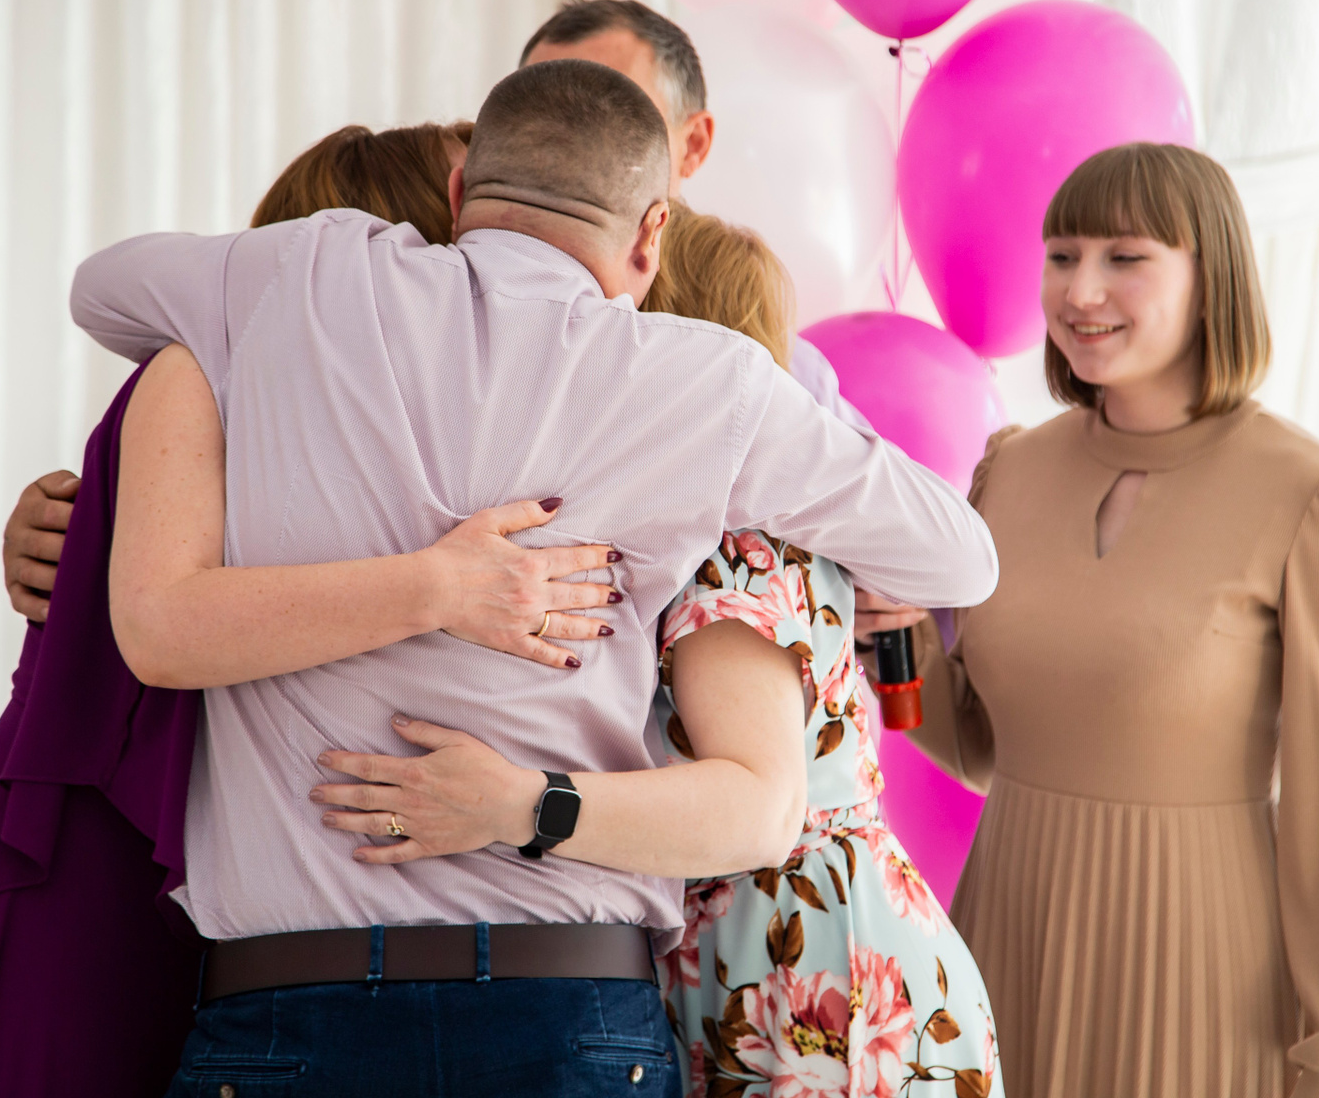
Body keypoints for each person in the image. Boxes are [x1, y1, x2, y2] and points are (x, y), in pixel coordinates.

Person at [73, 58, 996, 1097]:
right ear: (652, 231)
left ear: (459, 191)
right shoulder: (704, 381)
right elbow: (960, 556)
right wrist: (856, 569)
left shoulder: (297, 276)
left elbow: (97, 291)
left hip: (285, 1004)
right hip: (565, 1007)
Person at [0, 121, 621, 1098]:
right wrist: (445, 586)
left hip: (199, 924)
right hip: (69, 890)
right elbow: (160, 621)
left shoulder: (402, 443)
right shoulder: (202, 381)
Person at [311, 207, 1002, 1098]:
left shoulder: (736, 548)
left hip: (810, 977)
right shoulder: (739, 524)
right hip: (781, 954)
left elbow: (755, 801)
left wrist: (515, 804)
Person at [0, 0, 875, 610]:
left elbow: (862, 565)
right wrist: (92, 523)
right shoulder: (364, 309)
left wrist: (877, 593)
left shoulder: (747, 352)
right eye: (542, 102)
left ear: (691, 145)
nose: (571, 132)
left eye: (619, 110)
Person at [907, 143, 1319, 1098]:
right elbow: (982, 746)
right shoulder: (1010, 472)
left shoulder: (1318, 498)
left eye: (1124, 257)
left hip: (1200, 974)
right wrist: (892, 639)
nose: (1080, 290)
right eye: (1062, 255)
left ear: (1211, 278)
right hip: (1004, 942)